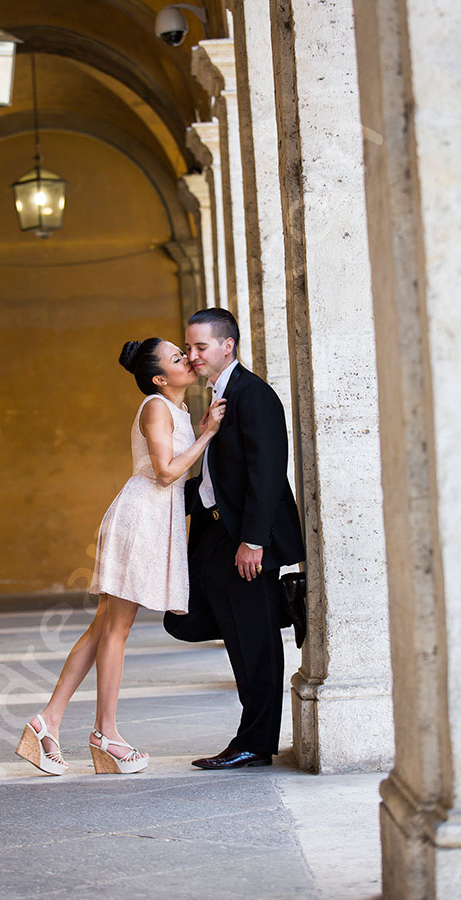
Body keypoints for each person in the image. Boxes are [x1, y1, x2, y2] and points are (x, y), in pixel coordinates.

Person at [15, 337, 226, 776]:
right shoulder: (155, 405)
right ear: (158, 377)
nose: (187, 358)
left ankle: (47, 722)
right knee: (116, 630)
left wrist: (200, 427)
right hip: (140, 518)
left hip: (152, 518)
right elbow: (167, 472)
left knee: (103, 627)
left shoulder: (179, 410)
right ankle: (105, 734)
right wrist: (208, 435)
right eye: (176, 357)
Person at [164, 309, 305, 769]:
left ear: (228, 345)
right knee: (181, 617)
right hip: (213, 534)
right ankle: (280, 608)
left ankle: (255, 742)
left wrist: (254, 541)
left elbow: (267, 475)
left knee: (255, 644)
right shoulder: (218, 399)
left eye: (200, 347)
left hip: (243, 541)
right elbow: (215, 473)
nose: (192, 355)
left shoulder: (254, 395)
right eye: (189, 347)